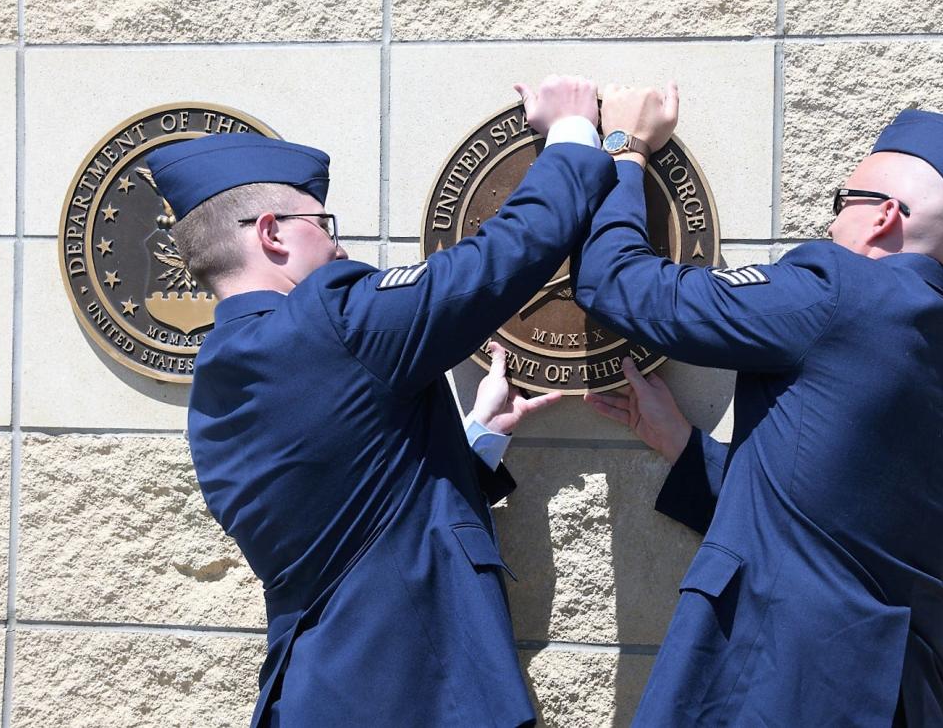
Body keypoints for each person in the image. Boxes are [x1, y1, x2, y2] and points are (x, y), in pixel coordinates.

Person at [146, 75, 616, 727]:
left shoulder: (217, 386)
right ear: (273, 232)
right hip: (413, 699)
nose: (339, 247)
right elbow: (500, 258)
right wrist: (570, 131)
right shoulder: (328, 320)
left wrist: (477, 437)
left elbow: (350, 512)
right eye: (323, 224)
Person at [576, 88, 943, 726]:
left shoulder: (837, 289)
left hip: (777, 683)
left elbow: (620, 285)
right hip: (895, 698)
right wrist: (682, 445)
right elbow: (823, 528)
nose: (827, 226)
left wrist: (625, 149)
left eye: (839, 204)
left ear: (882, 217)